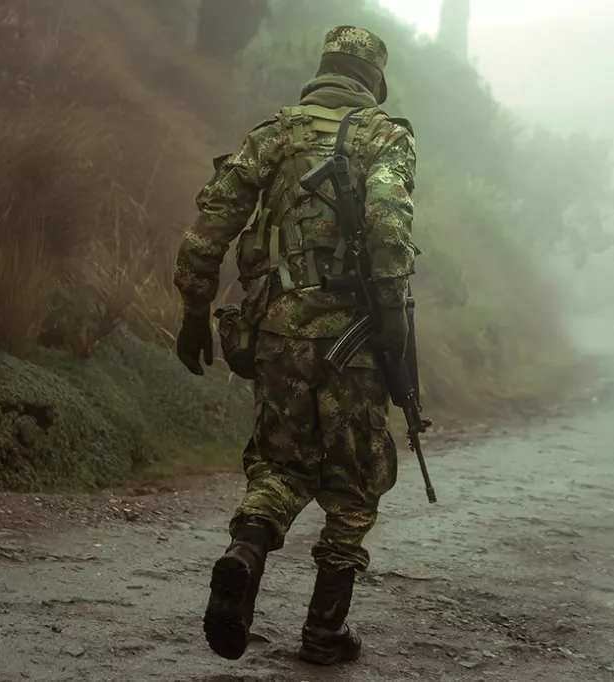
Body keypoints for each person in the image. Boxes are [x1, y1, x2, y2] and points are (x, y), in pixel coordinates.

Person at [172, 25, 417, 665]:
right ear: (372, 82)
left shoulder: (272, 135)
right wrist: (391, 323)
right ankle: (323, 632)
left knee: (281, 466)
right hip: (353, 343)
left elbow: (207, 233)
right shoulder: (386, 136)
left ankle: (244, 553)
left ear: (323, 70)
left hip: (277, 334)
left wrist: (195, 312)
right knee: (356, 482)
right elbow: (390, 226)